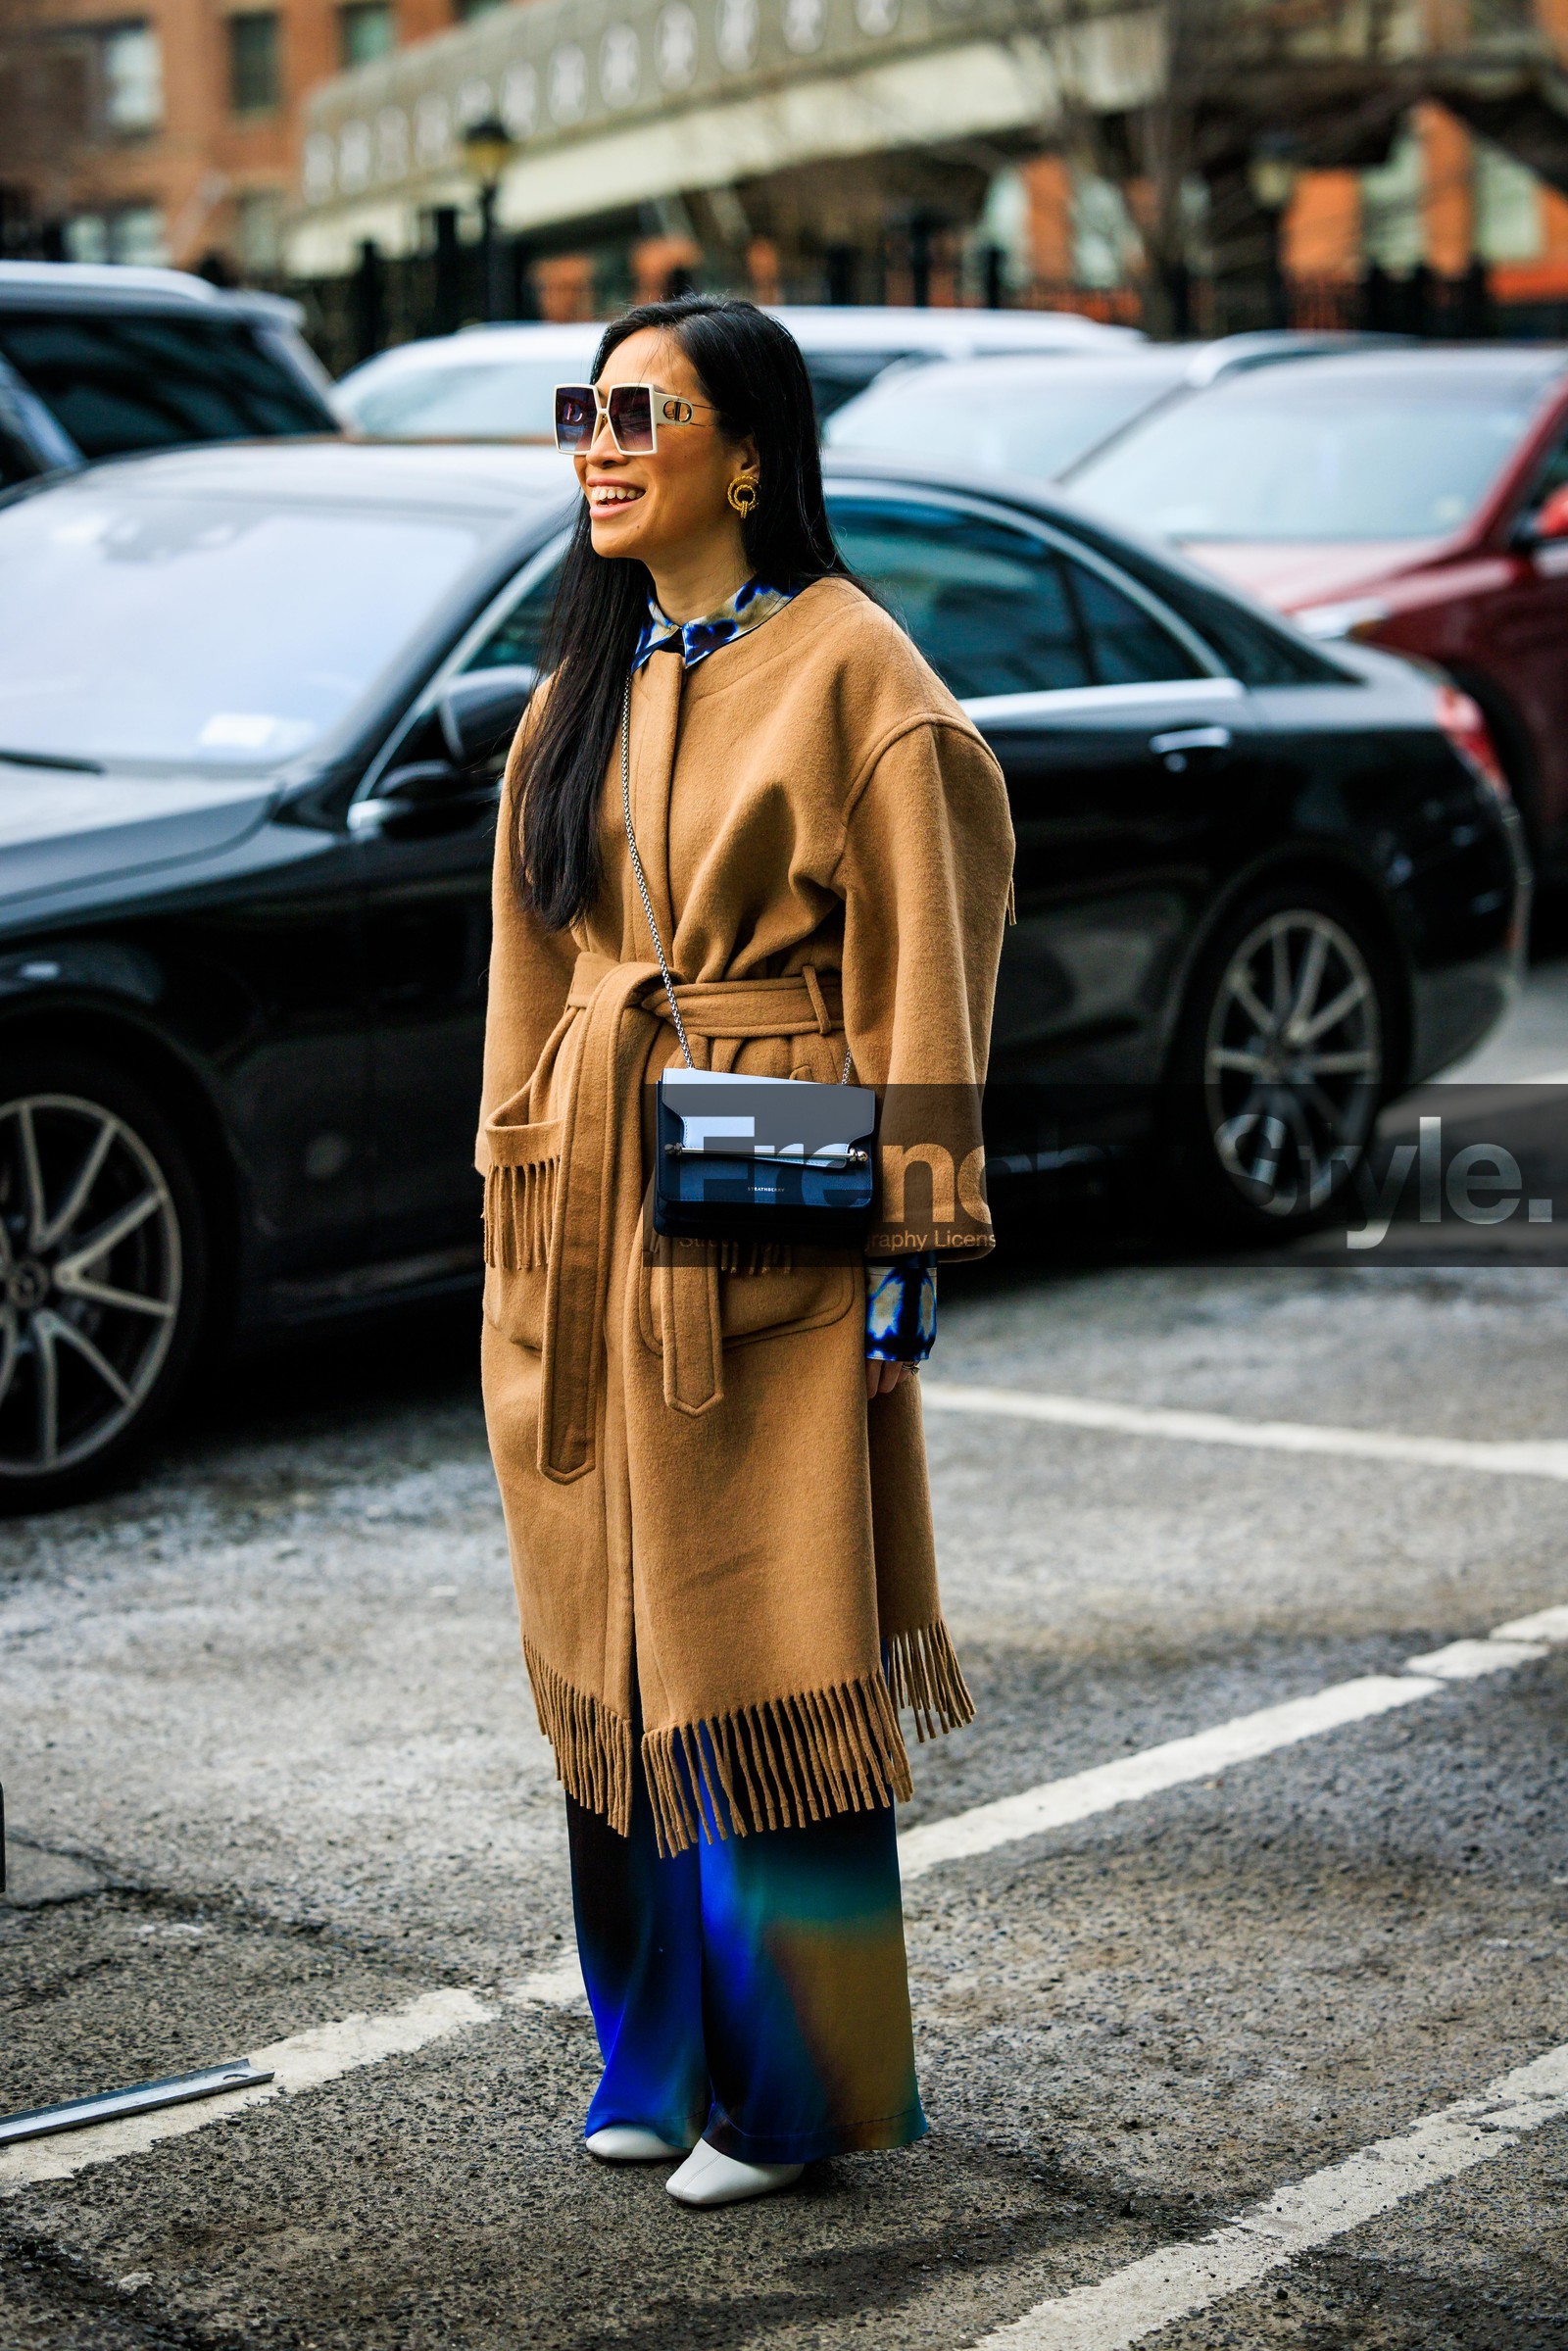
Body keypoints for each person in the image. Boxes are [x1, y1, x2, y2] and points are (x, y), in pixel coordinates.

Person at [478, 294, 1013, 2209]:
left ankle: (798, 2094)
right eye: (588, 409)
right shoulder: (584, 679)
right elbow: (530, 963)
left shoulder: (855, 669)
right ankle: (654, 2056)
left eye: (645, 413)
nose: (600, 445)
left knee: (766, 1618)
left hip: (772, 1129)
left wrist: (905, 1245)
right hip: (586, 1180)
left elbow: (928, 962)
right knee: (612, 1620)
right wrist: (514, 1182)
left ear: (752, 454)